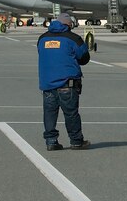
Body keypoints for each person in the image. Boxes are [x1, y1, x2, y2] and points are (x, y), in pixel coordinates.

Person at [37, 13, 91, 151]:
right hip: (67, 83)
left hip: (48, 83)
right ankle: (76, 141)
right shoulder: (73, 38)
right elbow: (84, 57)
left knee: (49, 114)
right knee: (71, 113)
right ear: (69, 25)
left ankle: (51, 141)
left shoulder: (42, 38)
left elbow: (41, 53)